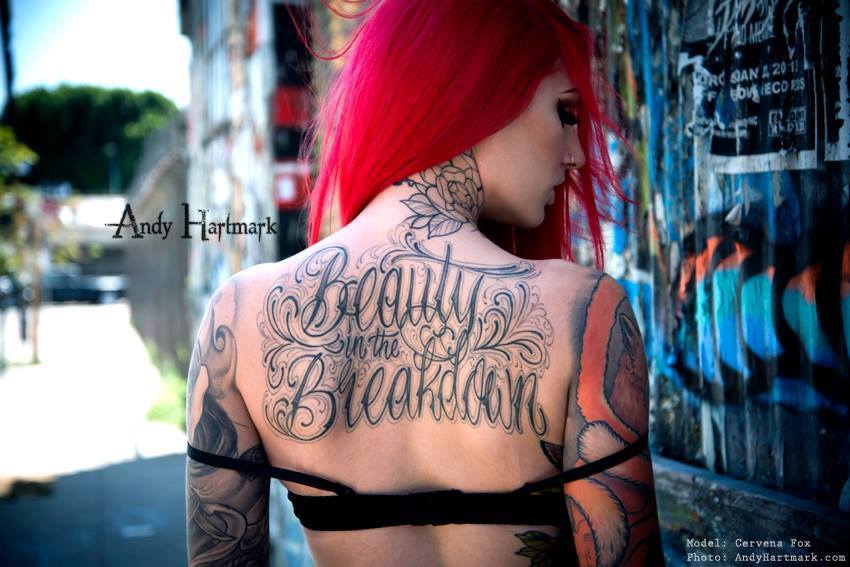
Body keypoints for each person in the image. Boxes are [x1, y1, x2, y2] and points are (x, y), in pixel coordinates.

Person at [185, 0, 665, 565]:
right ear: (484, 92)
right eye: (564, 112)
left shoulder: (240, 316)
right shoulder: (582, 310)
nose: (577, 155)